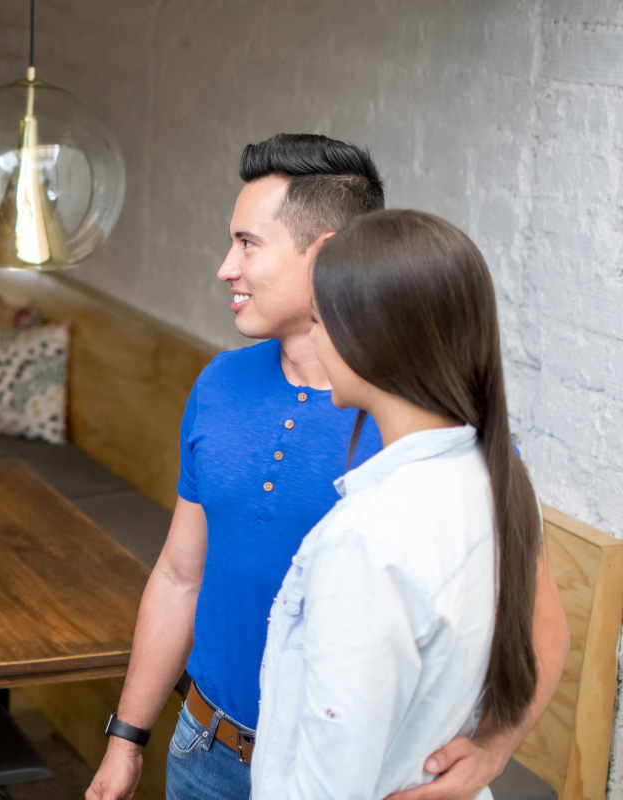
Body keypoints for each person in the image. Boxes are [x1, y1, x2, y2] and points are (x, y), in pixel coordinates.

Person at [85, 134, 569, 800]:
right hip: (203, 745)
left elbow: (539, 622)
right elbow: (178, 575)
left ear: (329, 254)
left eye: (248, 244)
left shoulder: (433, 441)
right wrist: (127, 737)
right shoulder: (219, 383)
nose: (227, 267)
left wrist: (491, 753)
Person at [251, 209, 546, 798]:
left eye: (319, 321)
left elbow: (329, 783)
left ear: (374, 336)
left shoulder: (367, 539)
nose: (314, 341)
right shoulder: (495, 481)